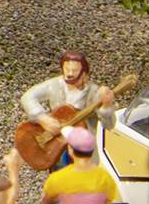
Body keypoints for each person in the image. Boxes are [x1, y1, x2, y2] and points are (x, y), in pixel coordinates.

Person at [10, 51, 108, 184]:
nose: (70, 73)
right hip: (57, 147)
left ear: (84, 73)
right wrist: (42, 118)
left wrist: (106, 107)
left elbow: (109, 124)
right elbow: (28, 97)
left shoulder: (94, 92)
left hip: (83, 149)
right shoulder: (54, 85)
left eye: (74, 70)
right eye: (67, 69)